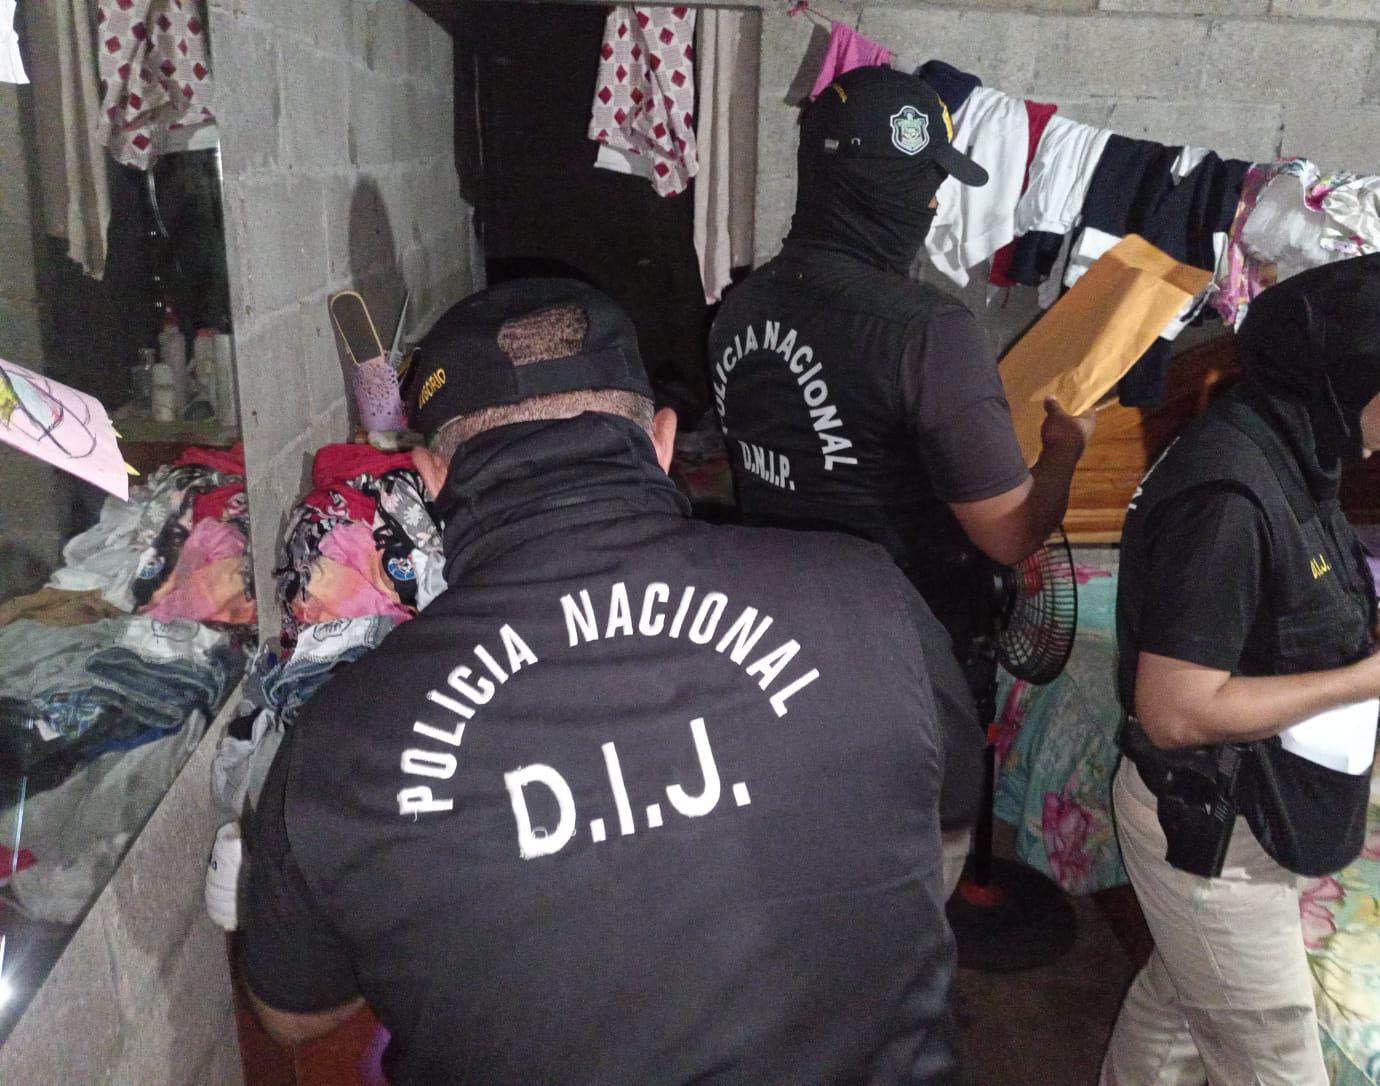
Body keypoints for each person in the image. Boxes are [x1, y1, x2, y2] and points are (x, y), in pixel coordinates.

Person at [241, 278, 984, 1085]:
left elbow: (292, 1014)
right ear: (662, 440)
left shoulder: (345, 739)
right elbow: (944, 828)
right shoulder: (864, 596)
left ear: (430, 478)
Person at [708, 65, 1095, 668]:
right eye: (926, 180)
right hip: (895, 656)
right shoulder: (927, 333)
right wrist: (1065, 448)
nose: (935, 201)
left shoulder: (738, 307)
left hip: (770, 643)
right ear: (885, 187)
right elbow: (1011, 534)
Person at [1101, 254, 1380, 1086]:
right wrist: (1367, 679)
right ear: (1347, 378)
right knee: (1275, 1060)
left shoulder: (1301, 449)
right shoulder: (1229, 495)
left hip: (1251, 809)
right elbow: (1175, 712)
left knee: (1179, 1008)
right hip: (1214, 828)